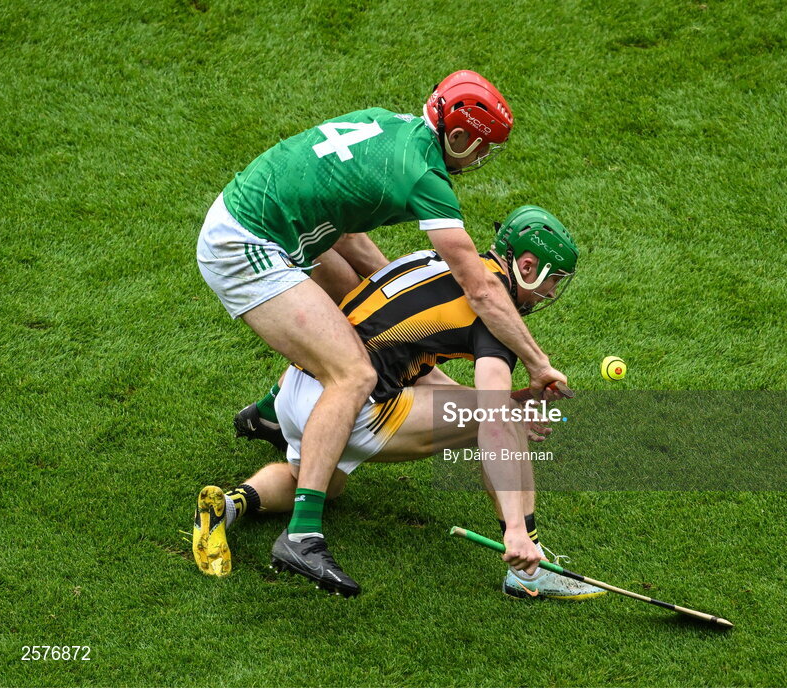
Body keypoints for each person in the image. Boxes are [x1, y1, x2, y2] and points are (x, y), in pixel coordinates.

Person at [196, 71, 569, 592]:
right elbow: (484, 306)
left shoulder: (385, 126)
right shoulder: (427, 181)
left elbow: (346, 227)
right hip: (246, 242)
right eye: (480, 149)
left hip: (264, 236)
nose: (480, 160)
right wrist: (534, 362)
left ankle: (259, 441)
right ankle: (303, 538)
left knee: (354, 315)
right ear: (458, 137)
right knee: (353, 372)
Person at [192, 206, 602, 601]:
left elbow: (415, 361)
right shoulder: (495, 321)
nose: (551, 293)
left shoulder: (435, 259)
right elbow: (491, 423)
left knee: (327, 485)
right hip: (353, 405)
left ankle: (228, 506)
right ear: (528, 267)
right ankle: (530, 569)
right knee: (505, 420)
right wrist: (513, 525)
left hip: (301, 385)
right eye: (554, 280)